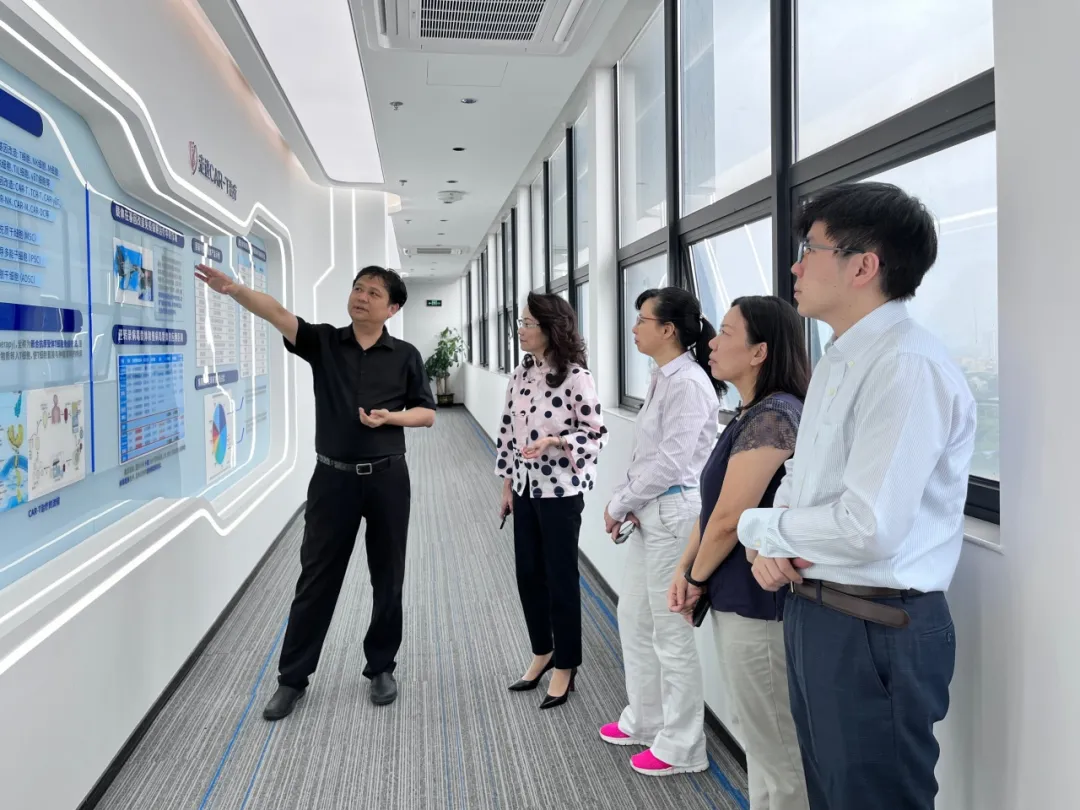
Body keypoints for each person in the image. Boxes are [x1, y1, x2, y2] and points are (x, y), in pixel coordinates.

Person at [737, 182, 977, 810]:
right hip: (818, 610)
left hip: (874, 625)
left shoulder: (905, 365)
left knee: (871, 798)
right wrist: (773, 541)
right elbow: (802, 477)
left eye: (809, 251)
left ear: (864, 266)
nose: (795, 268)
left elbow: (868, 524)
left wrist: (762, 531)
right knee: (831, 793)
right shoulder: (842, 357)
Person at [195, 263, 436, 719]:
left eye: (374, 293)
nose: (361, 297)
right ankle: (292, 679)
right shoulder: (324, 342)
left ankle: (381, 667)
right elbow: (278, 314)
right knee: (316, 579)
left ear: (393, 308)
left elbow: (427, 414)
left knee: (388, 578)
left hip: (387, 479)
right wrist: (236, 290)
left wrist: (391, 417)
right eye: (358, 288)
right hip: (332, 480)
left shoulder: (405, 355)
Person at [671, 295, 811, 809]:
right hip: (739, 597)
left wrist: (695, 578)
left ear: (759, 352)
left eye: (727, 332)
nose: (712, 342)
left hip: (761, 607)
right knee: (761, 741)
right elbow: (713, 508)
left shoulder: (776, 415)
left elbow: (731, 518)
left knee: (779, 752)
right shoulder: (749, 413)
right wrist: (686, 568)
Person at [596, 287, 719, 777]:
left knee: (671, 634)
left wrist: (620, 502)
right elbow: (647, 456)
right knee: (635, 618)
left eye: (642, 320)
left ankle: (684, 745)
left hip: (673, 514)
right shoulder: (663, 377)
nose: (634, 328)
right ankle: (645, 720)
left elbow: (671, 462)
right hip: (651, 511)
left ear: (668, 330)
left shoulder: (688, 383)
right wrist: (628, 501)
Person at [497, 292, 607, 710]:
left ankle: (566, 663)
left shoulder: (576, 377)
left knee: (560, 578)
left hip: (560, 491)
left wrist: (556, 441)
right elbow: (507, 431)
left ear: (550, 328)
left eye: (528, 323)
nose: (520, 329)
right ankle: (542, 651)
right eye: (521, 322)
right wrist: (507, 484)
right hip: (525, 489)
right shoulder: (520, 374)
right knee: (528, 574)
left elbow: (596, 435)